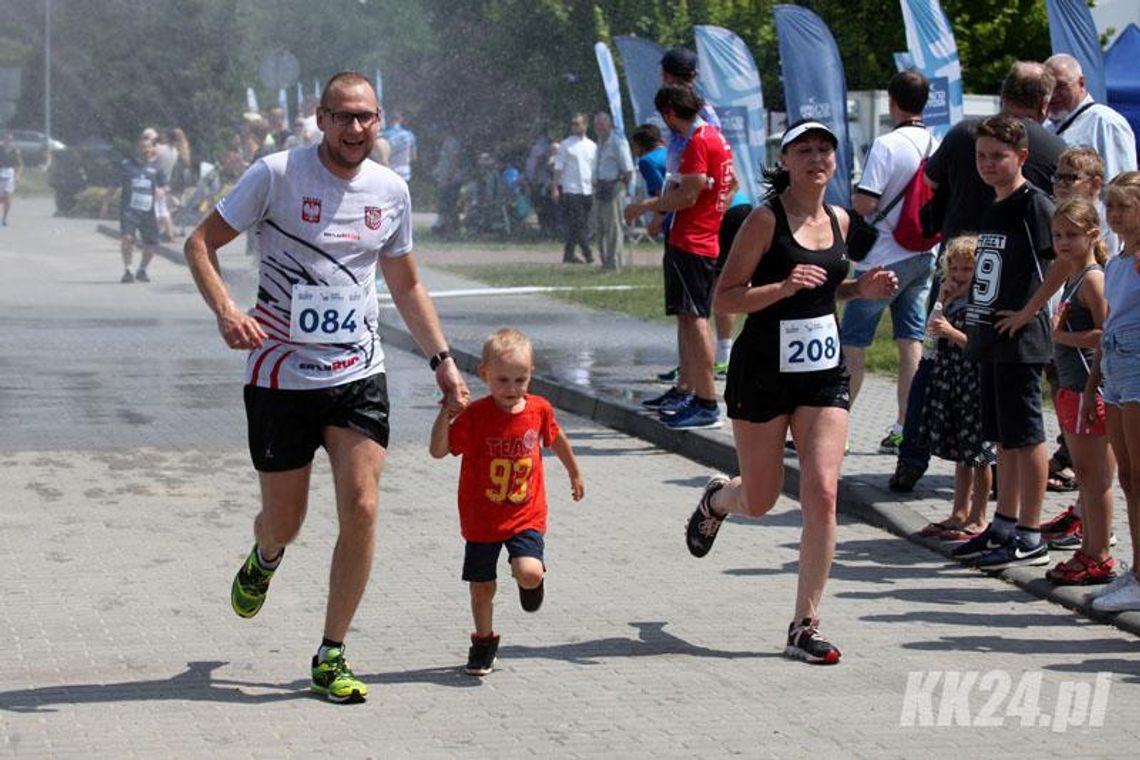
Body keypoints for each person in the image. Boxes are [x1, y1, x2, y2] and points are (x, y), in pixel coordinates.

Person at [183, 71, 470, 703]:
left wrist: (442, 360)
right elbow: (200, 243)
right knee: (286, 521)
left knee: (363, 507)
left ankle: (331, 652)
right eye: (343, 117)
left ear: (379, 119)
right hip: (280, 377)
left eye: (365, 117)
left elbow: (406, 284)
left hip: (357, 374)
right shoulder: (277, 175)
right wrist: (228, 311)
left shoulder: (390, 190)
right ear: (320, 117)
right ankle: (265, 555)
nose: (355, 128)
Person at [683, 121, 899, 664]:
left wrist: (861, 289)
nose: (817, 158)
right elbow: (725, 299)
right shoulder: (764, 220)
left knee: (823, 492)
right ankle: (718, 499)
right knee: (758, 499)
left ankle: (805, 624)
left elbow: (827, 287)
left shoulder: (841, 219)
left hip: (823, 372)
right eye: (805, 150)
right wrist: (781, 286)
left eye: (825, 149)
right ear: (786, 159)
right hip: (763, 370)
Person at [890, 61, 1067, 492]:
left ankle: (911, 459)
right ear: (1044, 103)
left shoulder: (964, 133)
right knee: (992, 389)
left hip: (958, 266)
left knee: (935, 364)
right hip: (1007, 282)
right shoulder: (1054, 146)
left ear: (1003, 92)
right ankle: (994, 483)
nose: (989, 163)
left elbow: (928, 182)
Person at [429, 328, 584, 676]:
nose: (512, 389)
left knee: (528, 572)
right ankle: (483, 643)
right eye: (503, 380)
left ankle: (533, 581)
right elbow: (439, 451)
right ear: (484, 374)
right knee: (482, 586)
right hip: (481, 518)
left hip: (524, 514)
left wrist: (574, 473)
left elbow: (556, 439)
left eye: (521, 379)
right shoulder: (476, 415)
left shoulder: (539, 410)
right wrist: (446, 415)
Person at [952, 114, 1070, 570]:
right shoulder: (994, 202)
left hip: (1021, 337)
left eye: (997, 157)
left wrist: (1028, 310)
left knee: (1026, 435)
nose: (988, 165)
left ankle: (1030, 531)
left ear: (1020, 156)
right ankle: (1002, 523)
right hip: (990, 333)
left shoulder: (1032, 205)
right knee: (1002, 435)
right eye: (981, 156)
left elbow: (1063, 260)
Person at [624, 84, 735, 430]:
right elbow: (730, 184)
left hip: (692, 241)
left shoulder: (699, 142)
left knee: (696, 317)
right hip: (699, 237)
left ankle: (706, 401)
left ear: (670, 112)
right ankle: (694, 394)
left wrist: (645, 206)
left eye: (663, 115)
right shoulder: (716, 137)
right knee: (689, 317)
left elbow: (687, 196)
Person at [842, 70, 939, 455]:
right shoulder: (938, 142)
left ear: (892, 102)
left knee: (852, 344)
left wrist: (851, 200)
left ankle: (839, 426)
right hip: (922, 256)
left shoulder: (886, 145)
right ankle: (904, 426)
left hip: (880, 260)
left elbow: (866, 203)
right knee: (910, 342)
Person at [1042, 198, 1116, 585]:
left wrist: (1061, 337)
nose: (1064, 242)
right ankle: (1088, 548)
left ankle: (1099, 553)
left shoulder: (1092, 278)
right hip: (1071, 388)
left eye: (1072, 234)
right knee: (1087, 475)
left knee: (1094, 476)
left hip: (1091, 389)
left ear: (1093, 235)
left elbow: (1107, 333)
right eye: (1058, 235)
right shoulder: (1072, 276)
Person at [914, 236, 994, 542]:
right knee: (961, 453)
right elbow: (930, 337)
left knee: (980, 454)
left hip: (973, 380)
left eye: (968, 270)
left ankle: (979, 516)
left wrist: (952, 332)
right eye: (956, 269)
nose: (960, 276)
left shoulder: (981, 302)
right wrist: (942, 302)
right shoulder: (951, 298)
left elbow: (980, 344)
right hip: (951, 379)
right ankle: (959, 511)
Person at [1087, 171, 1140, 612]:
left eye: (1124, 206)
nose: (1115, 213)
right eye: (1112, 205)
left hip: (1137, 364)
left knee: (1139, 475)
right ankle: (1137, 571)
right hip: (1117, 366)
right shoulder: (1118, 259)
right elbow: (1109, 326)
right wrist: (1092, 385)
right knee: (1127, 477)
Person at [1044, 54, 1138, 182]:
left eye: (1060, 86)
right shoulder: (1046, 127)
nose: (1053, 94)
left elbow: (1121, 185)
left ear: (1081, 83)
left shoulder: (1106, 122)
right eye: (1047, 87)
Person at [118, 135, 167, 283]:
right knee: (127, 238)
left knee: (151, 244)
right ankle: (128, 270)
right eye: (142, 147)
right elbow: (114, 184)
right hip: (129, 210)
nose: (146, 150)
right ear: (137, 149)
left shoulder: (156, 168)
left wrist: (162, 190)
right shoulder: (127, 166)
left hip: (148, 212)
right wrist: (106, 203)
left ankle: (142, 270)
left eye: (149, 147)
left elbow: (165, 185)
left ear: (153, 149)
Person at [552, 113, 597, 264]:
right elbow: (558, 168)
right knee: (579, 223)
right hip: (571, 189)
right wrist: (555, 188)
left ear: (585, 125)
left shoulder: (592, 146)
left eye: (578, 124)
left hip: (588, 189)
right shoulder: (566, 144)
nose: (575, 127)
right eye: (573, 124)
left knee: (577, 225)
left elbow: (593, 168)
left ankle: (568, 254)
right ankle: (588, 254)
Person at [593, 111, 635, 270]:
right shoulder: (599, 142)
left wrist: (621, 188)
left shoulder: (617, 142)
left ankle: (614, 263)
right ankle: (605, 262)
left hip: (614, 187)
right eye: (596, 124)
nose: (599, 127)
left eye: (602, 124)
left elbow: (628, 170)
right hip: (600, 187)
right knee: (600, 227)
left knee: (613, 228)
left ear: (609, 124)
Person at [383, 111, 417, 182]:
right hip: (405, 173)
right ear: (401, 120)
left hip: (390, 173)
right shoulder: (409, 135)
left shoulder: (384, 136)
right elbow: (413, 157)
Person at [0, 131, 24, 227]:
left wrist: (18, 175)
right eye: (6, 139)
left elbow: (20, 165)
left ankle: (4, 218)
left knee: (8, 198)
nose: (8, 141)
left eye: (10, 140)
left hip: (9, 173)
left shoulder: (15, 151)